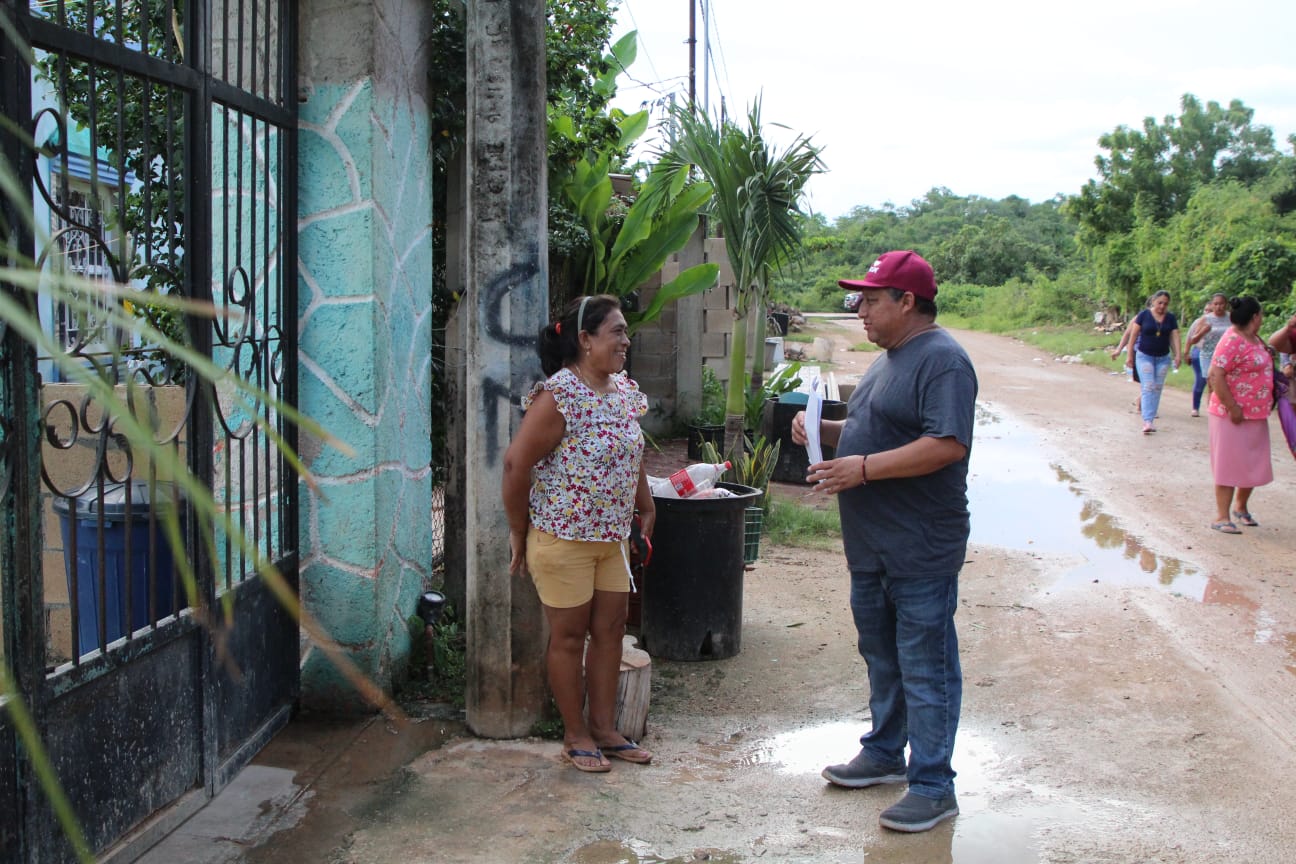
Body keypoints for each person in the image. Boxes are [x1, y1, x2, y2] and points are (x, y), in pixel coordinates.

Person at [792, 250, 977, 833]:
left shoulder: (943, 361)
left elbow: (947, 444)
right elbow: (877, 427)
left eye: (871, 300)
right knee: (882, 655)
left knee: (926, 664)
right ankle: (884, 753)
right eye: (860, 299)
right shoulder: (890, 358)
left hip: (919, 545)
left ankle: (932, 784)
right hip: (871, 544)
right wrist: (823, 430)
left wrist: (863, 469)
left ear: (908, 302)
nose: (860, 311)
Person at [501, 294, 656, 772]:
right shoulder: (560, 394)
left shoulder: (625, 391)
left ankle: (607, 729)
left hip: (610, 541)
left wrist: (644, 504)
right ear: (585, 340)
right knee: (568, 639)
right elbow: (515, 464)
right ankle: (575, 734)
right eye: (617, 332)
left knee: (610, 632)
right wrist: (517, 530)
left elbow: (632, 454)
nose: (626, 341)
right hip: (561, 541)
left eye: (626, 333)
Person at [1206, 296, 1273, 534]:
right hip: (1230, 414)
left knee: (1253, 464)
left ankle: (1241, 507)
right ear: (1255, 317)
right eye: (1261, 315)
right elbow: (1216, 374)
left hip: (1256, 413)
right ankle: (1221, 516)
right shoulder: (1231, 339)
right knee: (1228, 463)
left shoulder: (1254, 338)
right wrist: (1233, 406)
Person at [1126, 290, 1182, 434]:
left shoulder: (1170, 318)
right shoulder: (1144, 315)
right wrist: (1129, 354)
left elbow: (1174, 336)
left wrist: (1178, 354)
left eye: (1165, 304)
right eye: (1160, 303)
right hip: (1144, 355)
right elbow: (1133, 334)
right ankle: (1147, 420)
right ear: (1153, 302)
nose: (1162, 306)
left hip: (1163, 357)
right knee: (1148, 385)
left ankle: (1150, 418)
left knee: (1157, 387)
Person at [1184, 293, 1230, 416]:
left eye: (1221, 304)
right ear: (1212, 305)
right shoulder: (1206, 319)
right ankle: (1213, 411)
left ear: (1226, 305)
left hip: (1226, 354)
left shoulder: (1231, 318)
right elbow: (1193, 339)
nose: (1219, 307)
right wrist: (1203, 332)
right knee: (1212, 384)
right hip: (1208, 354)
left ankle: (1224, 408)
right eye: (1216, 304)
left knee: (1226, 383)